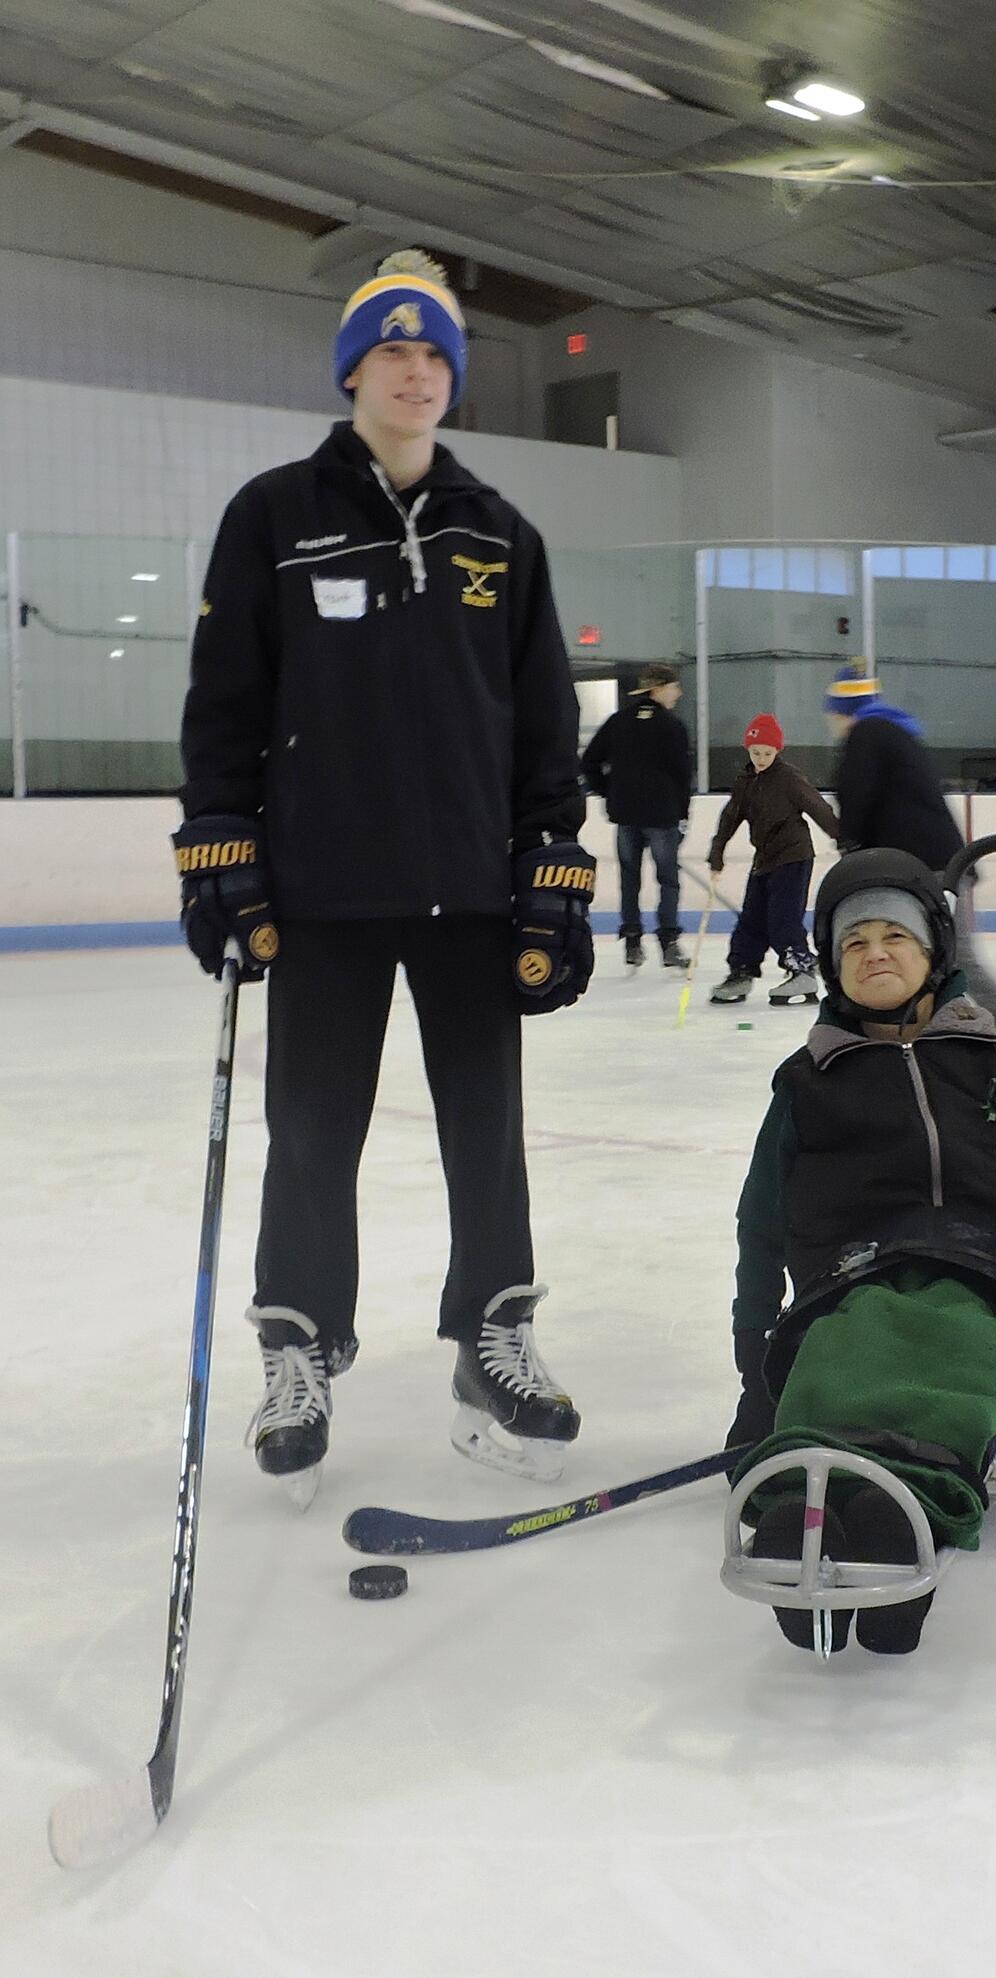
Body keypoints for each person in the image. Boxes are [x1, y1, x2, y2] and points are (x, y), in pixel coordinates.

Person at [175, 249, 596, 1501]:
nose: (414, 371)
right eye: (392, 349)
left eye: (434, 353)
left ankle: (492, 1336)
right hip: (324, 891)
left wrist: (552, 870)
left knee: (487, 1131)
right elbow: (224, 707)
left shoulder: (499, 535)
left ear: (453, 378)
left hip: (471, 892)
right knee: (310, 1134)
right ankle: (297, 1350)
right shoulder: (272, 516)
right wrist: (222, 854)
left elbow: (541, 729)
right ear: (353, 368)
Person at [725, 848, 996, 1653]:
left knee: (957, 1341)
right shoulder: (808, 1083)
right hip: (848, 1279)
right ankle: (804, 1501)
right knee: (845, 1345)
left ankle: (905, 1512)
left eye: (894, 936)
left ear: (934, 952)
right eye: (853, 943)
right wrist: (753, 1350)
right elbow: (761, 1220)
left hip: (990, 1275)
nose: (875, 953)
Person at [825, 659, 996, 1025]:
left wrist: (851, 847)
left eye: (832, 714)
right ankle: (936, 1030)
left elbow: (856, 794)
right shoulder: (895, 732)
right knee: (931, 957)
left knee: (955, 957)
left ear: (841, 710)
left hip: (929, 868)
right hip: (938, 863)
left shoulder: (867, 733)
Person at [707, 713, 840, 1007]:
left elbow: (817, 807)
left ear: (777, 751)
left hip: (793, 857)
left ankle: (801, 970)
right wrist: (717, 851)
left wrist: (843, 838)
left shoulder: (788, 777)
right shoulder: (746, 781)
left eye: (767, 753)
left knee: (783, 918)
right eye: (756, 753)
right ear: (748, 750)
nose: (761, 758)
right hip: (764, 859)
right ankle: (741, 971)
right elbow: (730, 817)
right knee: (751, 919)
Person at [580, 662, 692, 969]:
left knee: (629, 880)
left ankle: (632, 942)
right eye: (674, 687)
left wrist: (609, 793)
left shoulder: (618, 722)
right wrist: (683, 814)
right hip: (663, 817)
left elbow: (589, 762)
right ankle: (669, 942)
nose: (678, 693)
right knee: (668, 879)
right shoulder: (673, 726)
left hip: (626, 816)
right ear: (657, 689)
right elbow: (683, 776)